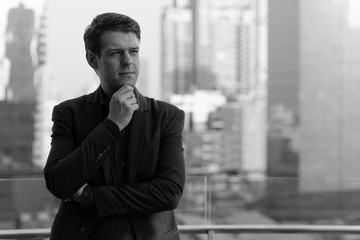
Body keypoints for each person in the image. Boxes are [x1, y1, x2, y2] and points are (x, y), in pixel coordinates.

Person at [44, 12, 185, 240]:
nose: (128, 61)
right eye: (116, 53)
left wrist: (91, 197)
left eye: (134, 51)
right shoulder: (68, 113)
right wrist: (112, 125)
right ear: (92, 59)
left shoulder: (167, 116)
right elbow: (59, 182)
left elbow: (169, 193)